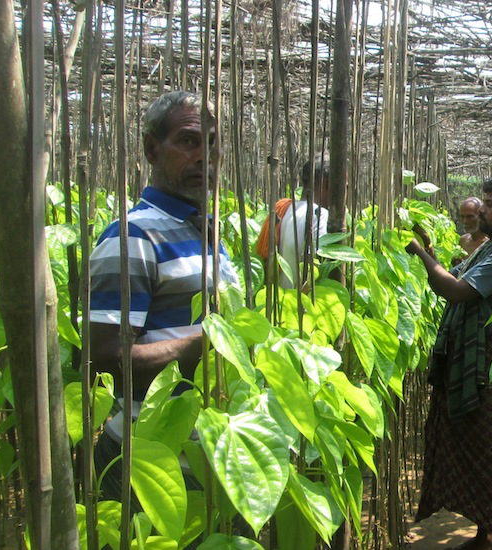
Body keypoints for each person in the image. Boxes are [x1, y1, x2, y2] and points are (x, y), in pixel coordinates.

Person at [89, 90, 238, 500]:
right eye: (189, 141)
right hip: (153, 463)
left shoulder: (211, 235)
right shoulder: (133, 237)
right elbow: (102, 358)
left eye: (212, 143)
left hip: (213, 456)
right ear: (151, 149)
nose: (204, 157)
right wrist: (208, 347)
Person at [408, 175, 492, 550]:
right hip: (473, 360)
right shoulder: (490, 246)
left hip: (488, 364)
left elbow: (457, 291)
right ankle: (483, 532)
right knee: (472, 444)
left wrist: (423, 255)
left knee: (491, 449)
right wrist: (430, 252)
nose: (482, 212)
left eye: (491, 205)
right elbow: (448, 281)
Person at [255, 155, 330, 289]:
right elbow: (318, 271)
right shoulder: (319, 215)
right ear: (325, 185)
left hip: (281, 303)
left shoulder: (284, 209)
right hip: (301, 305)